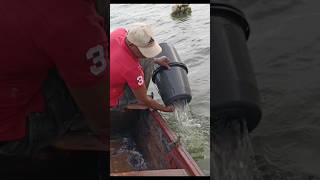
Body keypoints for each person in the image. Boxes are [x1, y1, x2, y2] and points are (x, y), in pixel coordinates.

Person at [0, 0, 108, 157]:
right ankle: (52, 139)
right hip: (9, 130)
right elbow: (103, 119)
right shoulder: (70, 17)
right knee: (98, 108)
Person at [110, 23, 174, 112]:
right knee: (147, 61)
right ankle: (131, 102)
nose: (146, 54)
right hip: (111, 98)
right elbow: (145, 98)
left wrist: (156, 60)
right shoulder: (131, 69)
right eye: (143, 51)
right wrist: (164, 108)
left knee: (148, 59)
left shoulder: (120, 32)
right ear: (131, 44)